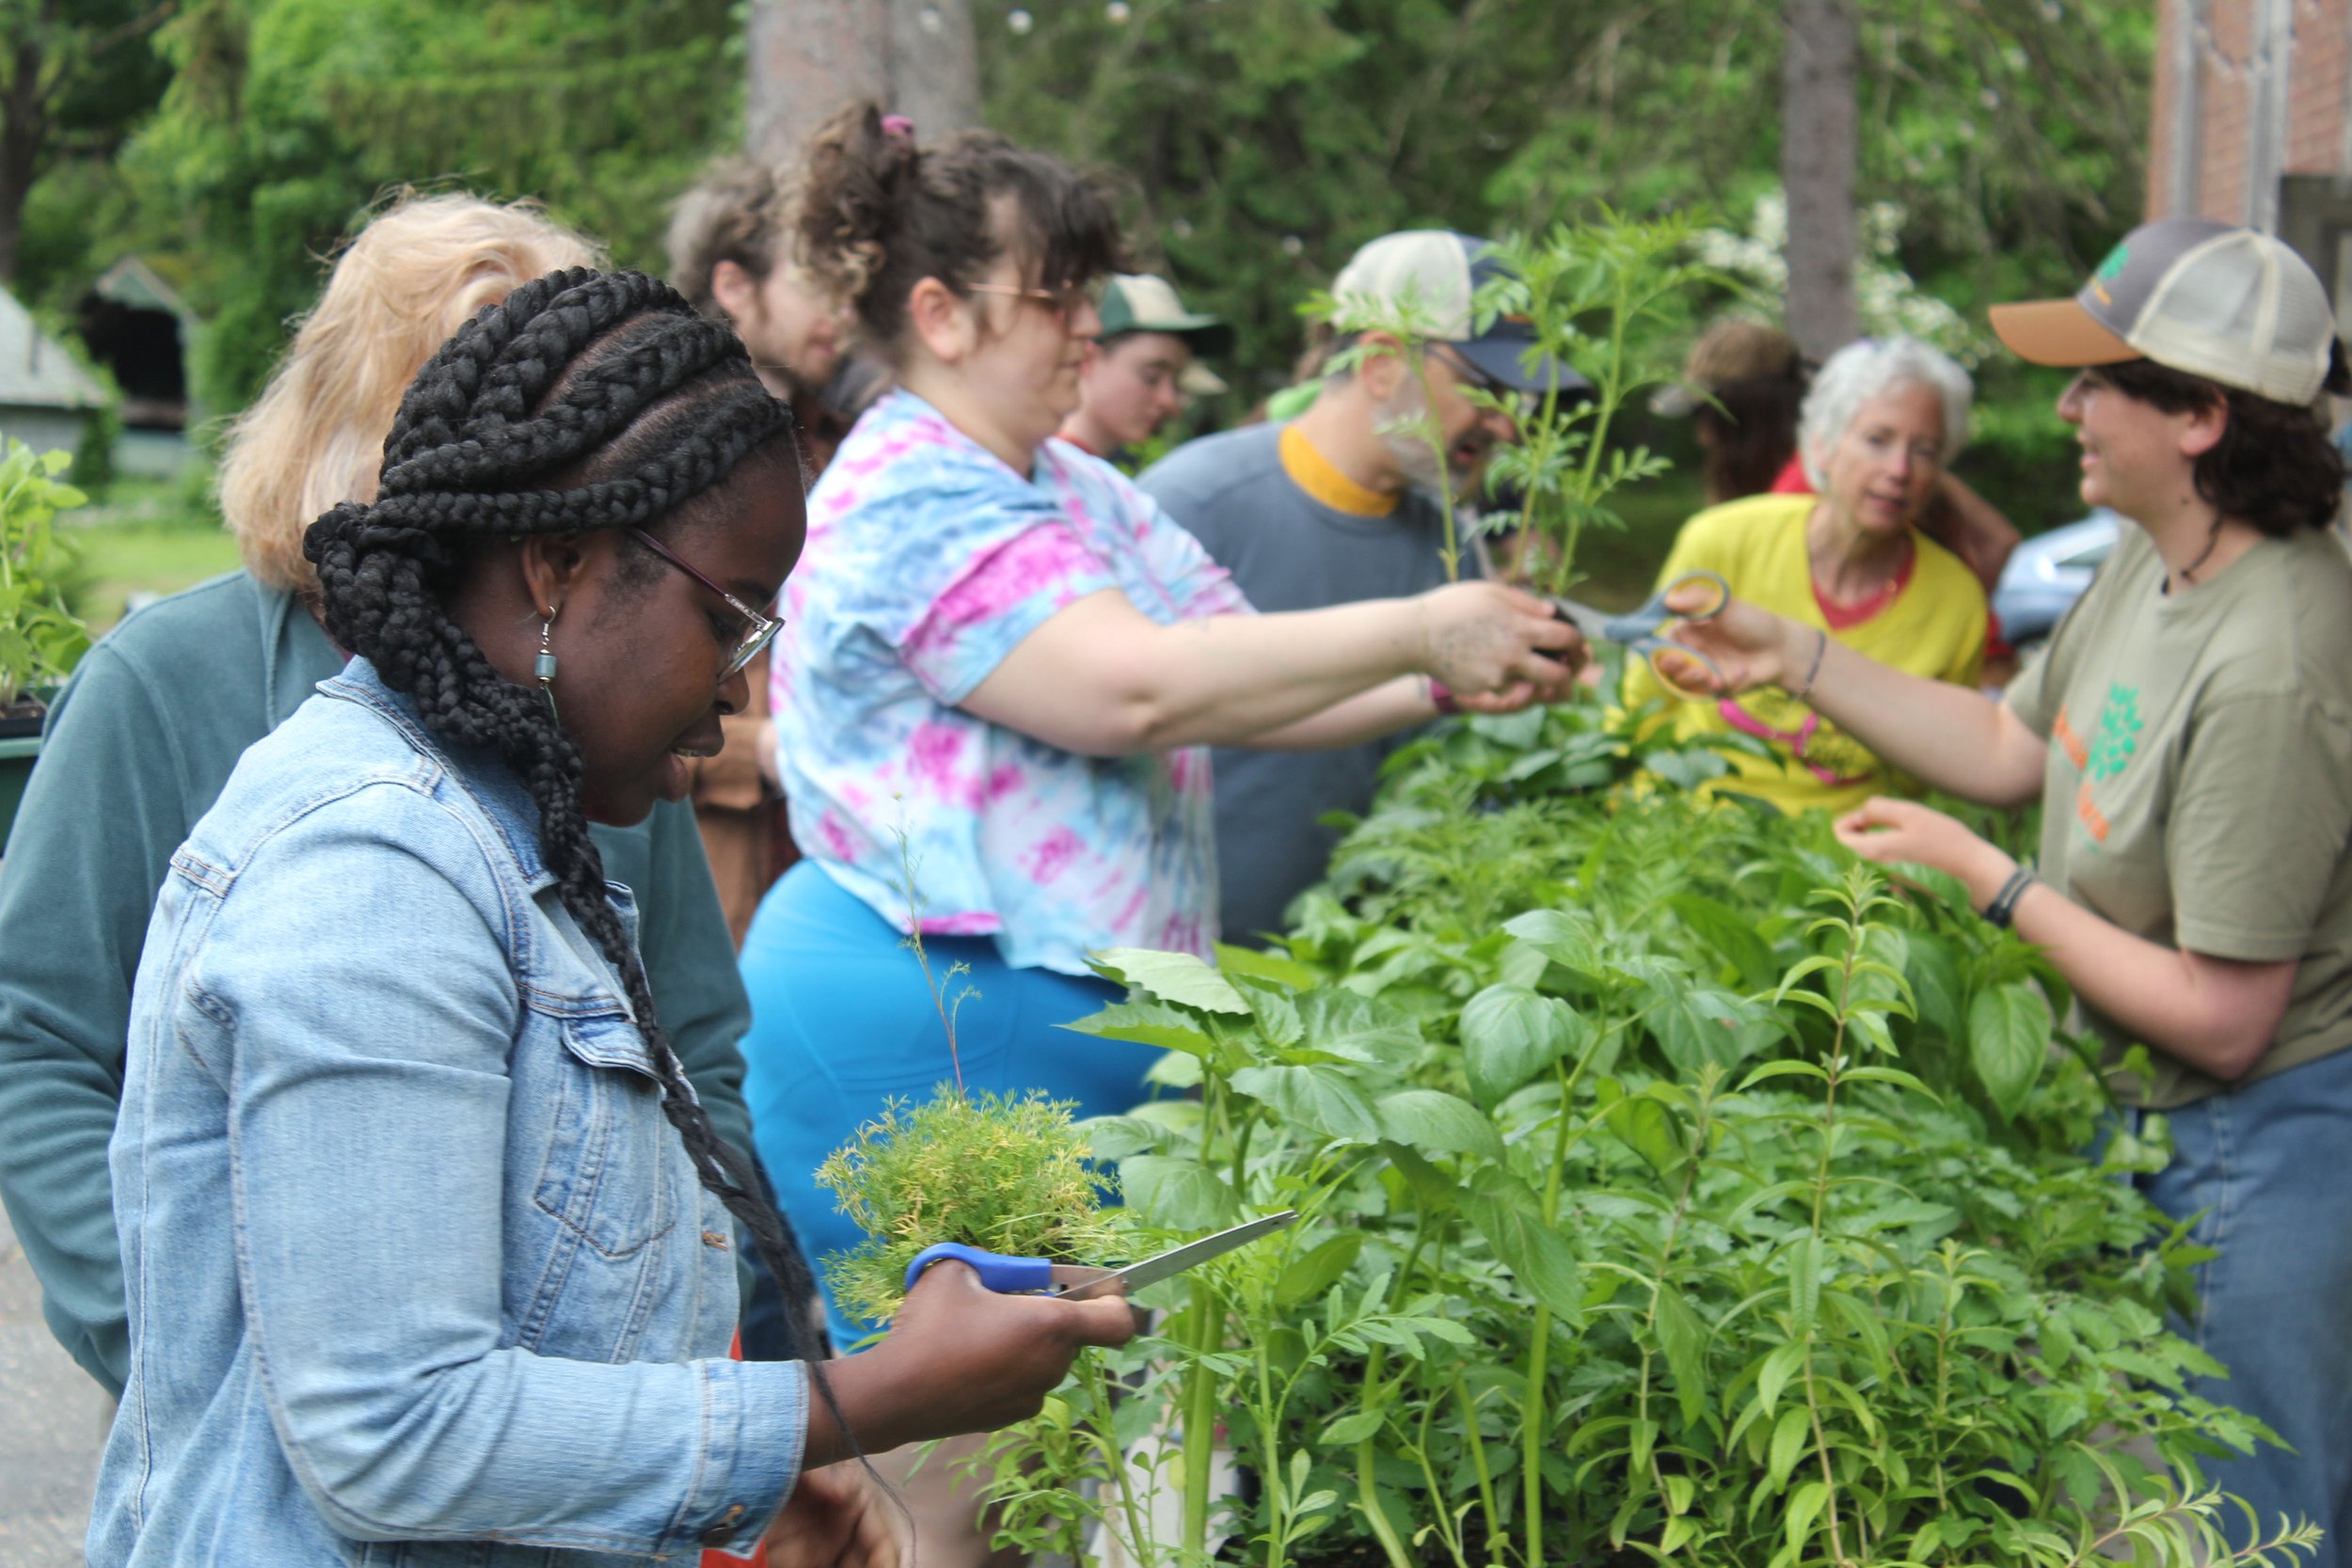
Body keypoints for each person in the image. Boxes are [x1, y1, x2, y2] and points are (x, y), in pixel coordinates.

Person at [87, 265, 1133, 1565]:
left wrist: (716, 1476)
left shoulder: (517, 835)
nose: (734, 698)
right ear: (557, 561)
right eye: (729, 619)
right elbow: (394, 1432)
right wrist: (865, 1400)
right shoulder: (373, 868)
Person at [0, 194, 790, 1398]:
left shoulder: (610, 711)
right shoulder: (164, 686)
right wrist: (173, 1335)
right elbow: (35, 1042)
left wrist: (689, 1341)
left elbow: (696, 1044)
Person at [1665, 217, 2352, 1564]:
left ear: (2202, 415)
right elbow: (2004, 743)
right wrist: (1790, 651)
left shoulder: (2277, 654)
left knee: (2257, 1526)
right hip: (2159, 1126)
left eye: (2099, 378)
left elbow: (2225, 1014)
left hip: (2258, 1146)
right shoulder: (2157, 563)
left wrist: (1990, 879)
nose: (2068, 406)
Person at [1141, 230, 1580, 940]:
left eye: (1518, 398)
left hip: (1352, 973)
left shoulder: (1453, 542)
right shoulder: (1190, 504)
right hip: (1169, 968)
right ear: (1381, 363)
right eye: (1485, 387)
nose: (1505, 424)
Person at [1621, 335, 1989, 816]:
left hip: (1840, 863)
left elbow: (1927, 776)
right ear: (1823, 445)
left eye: (1924, 451)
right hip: (1689, 826)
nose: (1899, 470)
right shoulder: (1722, 541)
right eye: (1877, 440)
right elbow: (1639, 703)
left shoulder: (1957, 603)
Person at [668, 158, 862, 944]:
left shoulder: (858, 443)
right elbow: (587, 680)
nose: (842, 311)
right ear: (734, 285)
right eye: (815, 280)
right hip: (721, 873)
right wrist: (764, 750)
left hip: (850, 870)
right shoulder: (655, 448)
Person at [1655, 318, 2023, 595]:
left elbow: (1998, 539)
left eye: (1711, 416)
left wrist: (1947, 616)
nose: (1703, 436)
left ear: (1751, 413)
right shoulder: (1860, 458)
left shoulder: (1831, 483)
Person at [1056, 272, 1232, 463]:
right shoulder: (1043, 474)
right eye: (1151, 376)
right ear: (1086, 360)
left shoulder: (1096, 478)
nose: (1170, 401)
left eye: (1177, 382)